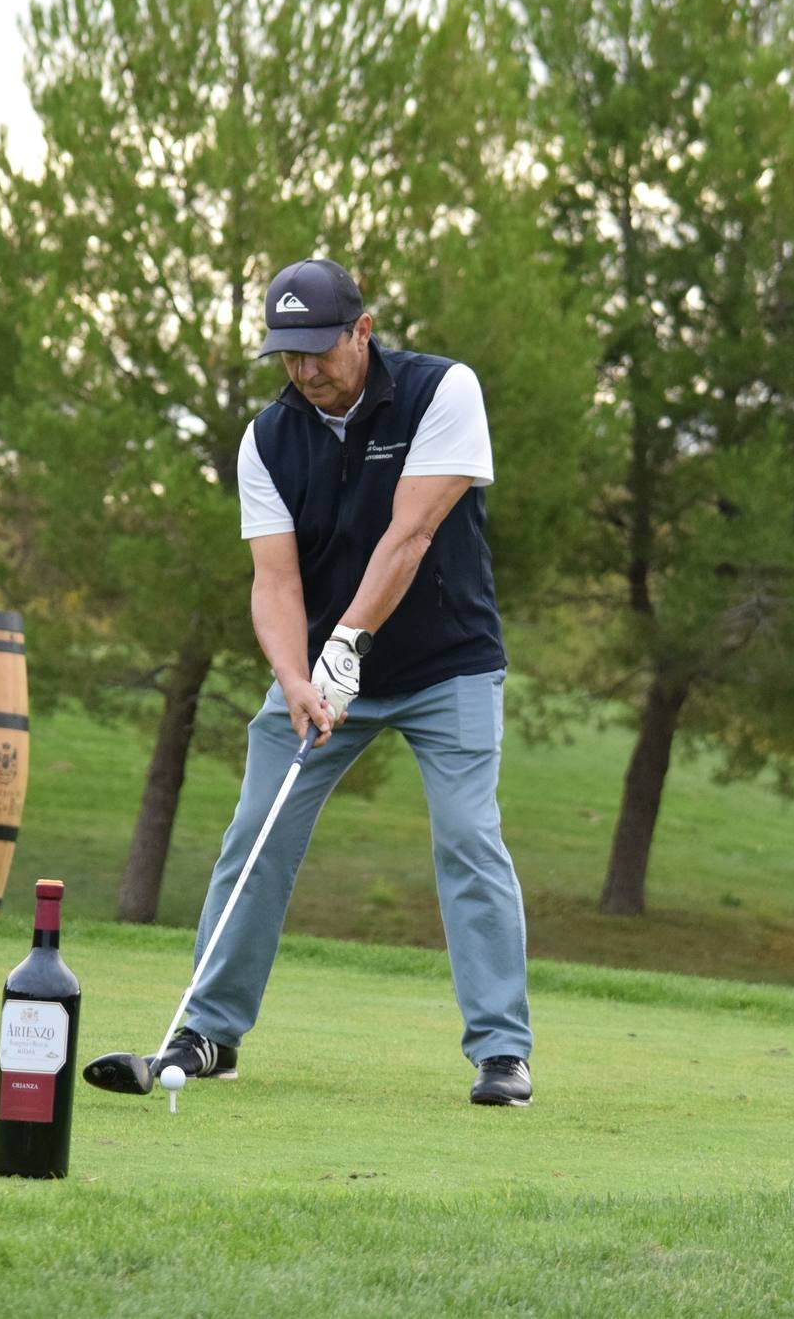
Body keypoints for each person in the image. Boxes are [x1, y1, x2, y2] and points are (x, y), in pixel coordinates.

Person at [153, 256, 534, 1107]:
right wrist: (294, 675)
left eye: (319, 349)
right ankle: (209, 1031)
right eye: (287, 354)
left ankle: (501, 1052)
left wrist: (347, 645)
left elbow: (411, 535)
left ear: (361, 331)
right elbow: (275, 581)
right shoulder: (266, 438)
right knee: (257, 832)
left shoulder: (443, 392)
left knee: (468, 837)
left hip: (448, 662)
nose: (305, 370)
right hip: (324, 675)